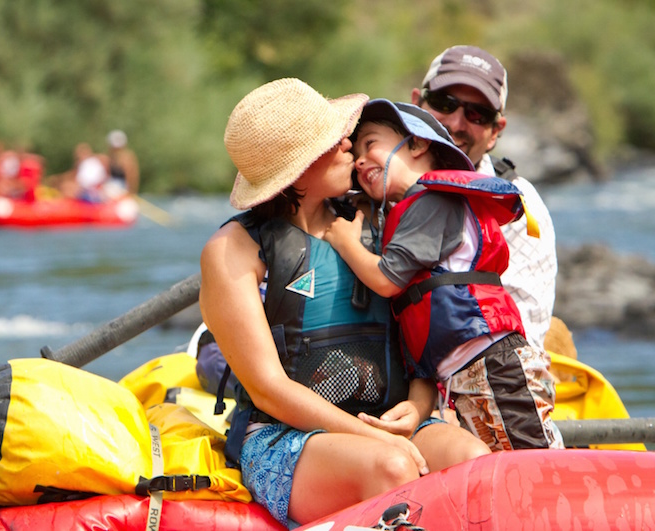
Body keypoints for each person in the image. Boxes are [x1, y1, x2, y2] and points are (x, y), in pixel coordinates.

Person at [199, 78, 489, 528]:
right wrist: (369, 435)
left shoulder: (376, 223)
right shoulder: (231, 251)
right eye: (332, 140)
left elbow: (419, 342)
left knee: (471, 458)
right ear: (295, 169)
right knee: (390, 468)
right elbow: (268, 389)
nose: (349, 143)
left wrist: (416, 406)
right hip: (282, 438)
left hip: (388, 422)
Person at [323, 97, 564, 454]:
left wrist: (345, 243)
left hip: (493, 363)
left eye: (371, 144)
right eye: (355, 153)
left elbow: (388, 279)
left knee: (530, 460)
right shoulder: (409, 209)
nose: (359, 160)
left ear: (417, 145)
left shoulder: (432, 201)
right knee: (502, 463)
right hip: (466, 371)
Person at [410, 45, 557, 351]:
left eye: (477, 114)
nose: (455, 124)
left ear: (495, 131)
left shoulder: (520, 207)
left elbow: (521, 339)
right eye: (443, 103)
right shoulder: (369, 178)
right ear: (416, 104)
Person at [105, 130, 140, 195]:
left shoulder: (127, 158)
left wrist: (130, 193)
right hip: (113, 189)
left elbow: (132, 178)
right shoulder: (110, 158)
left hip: (122, 190)